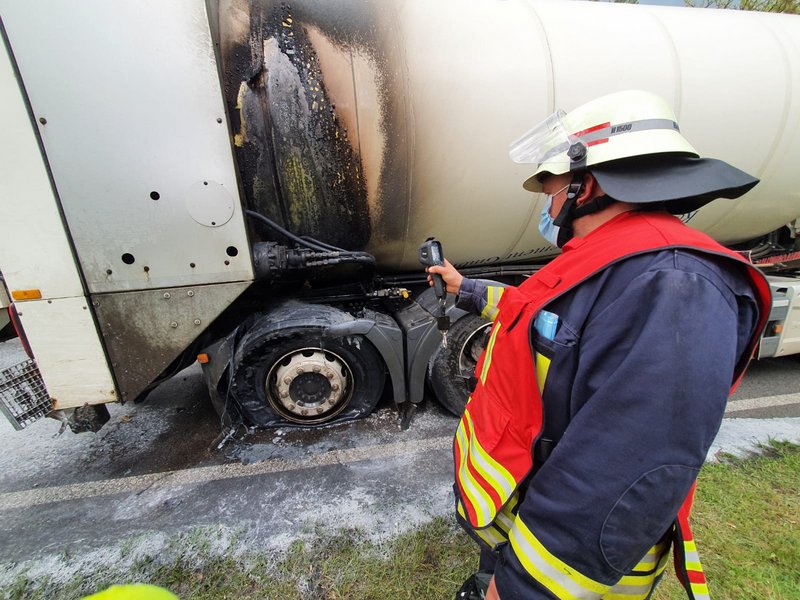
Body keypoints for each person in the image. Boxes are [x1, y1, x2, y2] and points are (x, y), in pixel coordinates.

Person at [427, 90, 771, 600]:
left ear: (584, 185)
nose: (547, 205)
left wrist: (520, 589)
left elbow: (619, 469)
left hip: (560, 575)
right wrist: (467, 289)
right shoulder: (616, 256)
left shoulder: (676, 284)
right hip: (521, 515)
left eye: (550, 190)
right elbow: (543, 318)